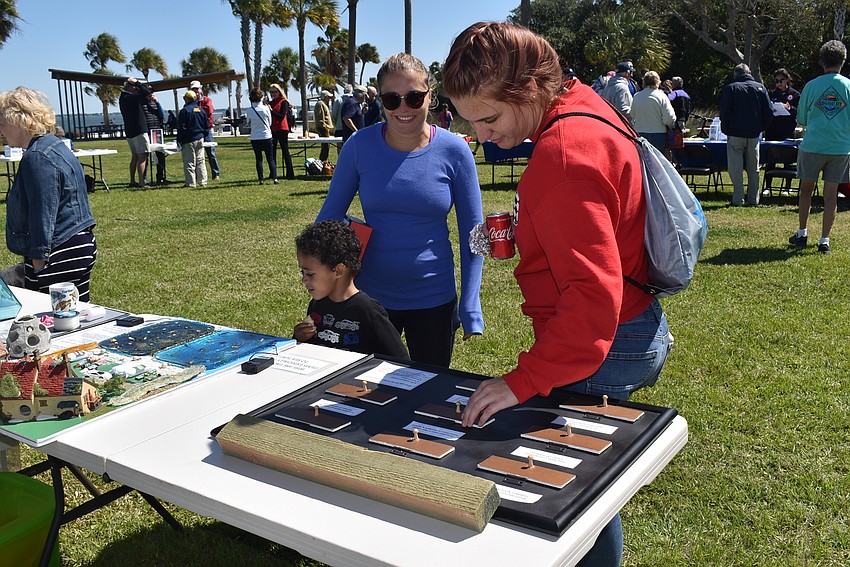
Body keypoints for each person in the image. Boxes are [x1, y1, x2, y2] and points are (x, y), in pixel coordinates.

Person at [443, 22, 673, 567]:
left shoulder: (562, 159)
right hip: (632, 323)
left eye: (490, 118)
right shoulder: (583, 102)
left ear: (528, 91)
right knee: (587, 474)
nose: (479, 136)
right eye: (470, 121)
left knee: (574, 484)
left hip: (604, 343)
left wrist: (519, 381)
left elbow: (591, 309)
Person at [316, 52, 484, 367]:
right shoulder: (359, 146)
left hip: (435, 300)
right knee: (367, 394)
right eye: (392, 99)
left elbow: (474, 235)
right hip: (370, 300)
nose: (403, 108)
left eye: (414, 97)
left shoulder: (455, 151)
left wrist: (470, 306)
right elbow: (326, 221)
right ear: (381, 101)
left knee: (426, 395)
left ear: (430, 97)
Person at [0, 87, 97, 300]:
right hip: (77, 244)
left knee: (54, 320)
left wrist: (38, 258)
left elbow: (43, 210)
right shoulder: (55, 146)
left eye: (2, 124)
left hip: (58, 251)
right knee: (76, 315)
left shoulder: (37, 157)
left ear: (17, 121)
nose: (1, 132)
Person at [293, 220, 410, 359]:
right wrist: (299, 338)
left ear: (338, 271)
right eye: (303, 273)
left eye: (310, 274)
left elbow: (400, 360)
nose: (304, 280)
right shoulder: (316, 306)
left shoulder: (367, 311)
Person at [788, 40, 850, 254]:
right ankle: (824, 240)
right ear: (843, 60)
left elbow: (802, 118)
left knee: (806, 190)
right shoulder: (849, 86)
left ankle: (802, 232)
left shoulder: (812, 86)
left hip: (813, 145)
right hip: (840, 148)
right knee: (831, 195)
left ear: (822, 61)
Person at [719, 63, 773, 206]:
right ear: (749, 72)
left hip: (735, 133)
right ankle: (753, 199)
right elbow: (769, 111)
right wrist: (760, 127)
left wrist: (726, 130)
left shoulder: (731, 88)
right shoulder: (760, 87)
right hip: (754, 134)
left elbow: (725, 112)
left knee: (735, 168)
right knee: (754, 168)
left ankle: (738, 199)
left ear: (735, 74)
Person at [631, 71, 676, 154]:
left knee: (643, 161)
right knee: (657, 161)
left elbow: (632, 115)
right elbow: (669, 117)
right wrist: (669, 125)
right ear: (657, 82)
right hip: (658, 134)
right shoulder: (661, 96)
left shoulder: (637, 96)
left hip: (640, 132)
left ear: (644, 82)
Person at [118, 77, 152, 188]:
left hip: (130, 131)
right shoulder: (130, 97)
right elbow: (146, 92)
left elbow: (145, 98)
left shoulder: (123, 97)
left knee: (135, 157)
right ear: (131, 87)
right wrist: (137, 82)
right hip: (139, 130)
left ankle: (133, 180)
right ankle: (142, 182)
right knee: (143, 156)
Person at [176, 90, 208, 188]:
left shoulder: (185, 111)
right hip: (200, 138)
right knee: (201, 160)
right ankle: (202, 181)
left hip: (189, 139)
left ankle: (190, 183)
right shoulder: (201, 110)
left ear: (187, 99)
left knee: (189, 161)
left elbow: (182, 127)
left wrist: (179, 139)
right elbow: (206, 126)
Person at [190, 80, 220, 181]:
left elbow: (209, 111)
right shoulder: (191, 102)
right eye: (193, 90)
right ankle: (198, 175)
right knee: (197, 155)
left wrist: (197, 110)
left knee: (211, 153)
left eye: (197, 89)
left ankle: (215, 174)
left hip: (207, 130)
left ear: (201, 89)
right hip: (196, 131)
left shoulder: (207, 100)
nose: (196, 92)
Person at [246, 87, 277, 185]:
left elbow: (248, 123)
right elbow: (270, 122)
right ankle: (275, 178)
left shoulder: (249, 110)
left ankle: (261, 179)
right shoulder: (266, 108)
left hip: (255, 137)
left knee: (258, 159)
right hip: (266, 135)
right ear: (261, 97)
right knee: (270, 158)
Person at [765, 68, 801, 141]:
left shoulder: (795, 94)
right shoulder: (771, 94)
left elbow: (799, 112)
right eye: (776, 81)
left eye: (782, 80)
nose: (779, 83)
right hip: (772, 130)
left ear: (787, 79)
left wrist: (790, 108)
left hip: (788, 129)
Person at [267, 83, 295, 180]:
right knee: (272, 152)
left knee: (285, 151)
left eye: (275, 92)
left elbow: (281, 116)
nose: (273, 94)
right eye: (271, 92)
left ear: (279, 92)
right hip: (273, 129)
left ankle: (290, 173)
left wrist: (271, 111)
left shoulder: (284, 102)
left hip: (282, 129)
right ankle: (273, 173)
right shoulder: (271, 103)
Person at [143, 92, 166, 184]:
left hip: (157, 131)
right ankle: (144, 178)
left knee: (160, 154)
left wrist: (157, 102)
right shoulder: (142, 105)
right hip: (147, 131)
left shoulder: (155, 104)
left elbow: (161, 115)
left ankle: (160, 176)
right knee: (146, 156)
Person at [313, 90, 335, 163]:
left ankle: (323, 160)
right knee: (325, 146)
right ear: (325, 97)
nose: (329, 98)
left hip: (324, 127)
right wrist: (324, 126)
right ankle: (322, 161)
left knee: (326, 146)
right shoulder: (320, 104)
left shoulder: (323, 104)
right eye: (328, 97)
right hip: (323, 128)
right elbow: (320, 117)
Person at [331, 85, 351, 155]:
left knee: (339, 147)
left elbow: (333, 115)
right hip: (350, 128)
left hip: (339, 128)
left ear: (344, 91)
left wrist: (336, 123)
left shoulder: (338, 100)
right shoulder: (354, 100)